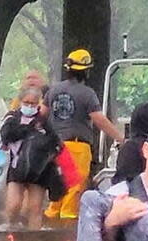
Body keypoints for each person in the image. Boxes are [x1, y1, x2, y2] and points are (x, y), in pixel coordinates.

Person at [40, 49, 126, 219]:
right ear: (86, 71)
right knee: (74, 187)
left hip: (55, 147)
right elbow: (99, 119)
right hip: (77, 147)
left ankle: (50, 225)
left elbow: (41, 115)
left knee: (57, 186)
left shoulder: (53, 91)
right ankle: (67, 232)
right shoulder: (87, 94)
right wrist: (120, 138)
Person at [0, 87, 62, 231]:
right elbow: (6, 135)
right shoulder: (12, 117)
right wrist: (30, 128)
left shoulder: (44, 121)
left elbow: (55, 142)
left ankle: (34, 240)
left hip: (39, 171)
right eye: (26, 102)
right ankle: (10, 229)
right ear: (20, 102)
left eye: (33, 103)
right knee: (13, 205)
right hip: (17, 168)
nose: (30, 106)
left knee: (35, 208)